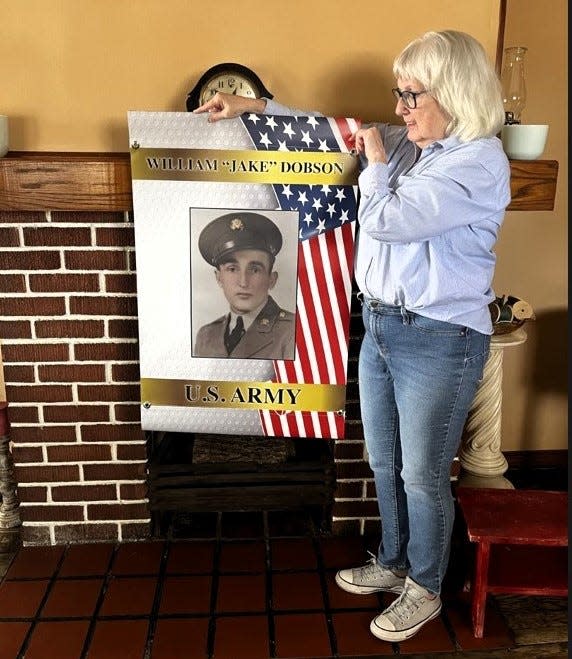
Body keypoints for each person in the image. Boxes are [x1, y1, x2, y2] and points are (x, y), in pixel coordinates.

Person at [195, 30, 510, 642]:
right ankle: (394, 562)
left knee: (421, 473)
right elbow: (329, 133)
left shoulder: (478, 161)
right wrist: (253, 109)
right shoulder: (413, 142)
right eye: (400, 95)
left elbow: (389, 220)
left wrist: (375, 165)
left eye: (411, 95)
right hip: (382, 324)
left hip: (439, 337)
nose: (399, 110)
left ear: (454, 93)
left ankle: (425, 584)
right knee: (384, 459)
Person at [194, 211, 296, 359]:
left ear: (271, 279)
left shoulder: (293, 332)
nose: (243, 282)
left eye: (255, 270)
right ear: (218, 278)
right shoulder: (205, 336)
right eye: (232, 269)